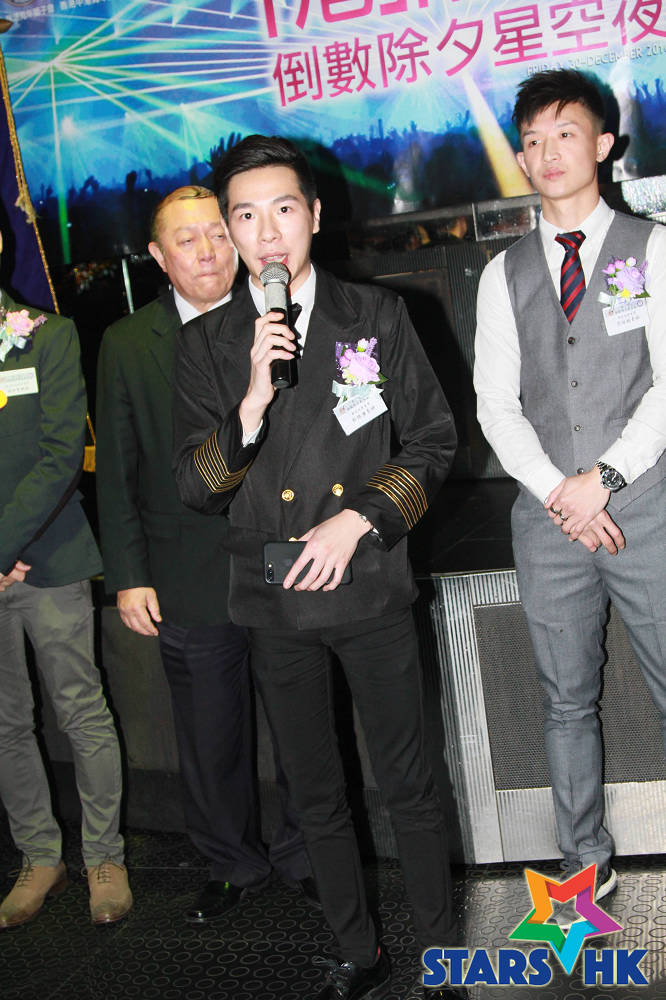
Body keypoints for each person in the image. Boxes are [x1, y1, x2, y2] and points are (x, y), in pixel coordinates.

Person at [172, 136, 460, 1000]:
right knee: (314, 792)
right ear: (229, 231)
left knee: (409, 785)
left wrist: (358, 520)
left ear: (316, 215)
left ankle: (442, 951)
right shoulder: (209, 343)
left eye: (283, 209)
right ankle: (358, 949)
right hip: (275, 601)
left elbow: (433, 440)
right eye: (246, 216)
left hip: (368, 583)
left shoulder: (377, 314)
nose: (267, 233)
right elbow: (195, 488)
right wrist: (251, 403)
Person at [96, 185, 313, 925]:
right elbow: (118, 468)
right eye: (186, 240)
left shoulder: (284, 319)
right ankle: (230, 862)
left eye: (219, 232)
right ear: (159, 258)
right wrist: (129, 576)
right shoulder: (128, 343)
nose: (209, 250)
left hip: (284, 559)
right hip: (186, 572)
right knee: (209, 732)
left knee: (299, 721)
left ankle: (307, 854)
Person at [474, 69, 666, 897]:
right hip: (550, 521)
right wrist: (565, 492)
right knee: (563, 701)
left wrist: (608, 478)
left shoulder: (653, 247)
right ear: (520, 158)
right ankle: (583, 864)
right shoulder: (503, 274)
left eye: (566, 133)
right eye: (533, 140)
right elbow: (495, 406)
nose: (549, 152)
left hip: (648, 508)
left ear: (604, 144)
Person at [0, 230, 131, 929]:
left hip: (48, 559)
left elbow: (60, 453)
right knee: (4, 723)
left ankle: (104, 857)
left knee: (81, 711)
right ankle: (39, 857)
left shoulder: (45, 336)